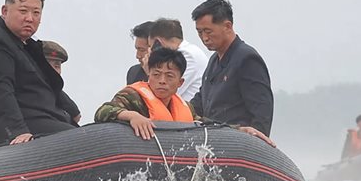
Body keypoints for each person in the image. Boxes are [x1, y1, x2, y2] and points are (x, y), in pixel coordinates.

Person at [0, 0, 79, 150]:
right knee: (74, 139)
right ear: (5, 11)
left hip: (42, 117)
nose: (30, 18)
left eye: (36, 13)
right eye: (23, 11)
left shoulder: (27, 46)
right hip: (4, 126)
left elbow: (46, 82)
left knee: (88, 135)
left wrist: (72, 110)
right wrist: (18, 131)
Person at [95, 47, 274, 146]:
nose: (162, 81)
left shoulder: (184, 107)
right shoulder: (133, 96)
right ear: (148, 76)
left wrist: (241, 130)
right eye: (156, 75)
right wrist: (132, 116)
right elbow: (104, 111)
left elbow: (206, 124)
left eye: (169, 76)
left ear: (180, 83)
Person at [188, 0, 274, 137]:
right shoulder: (213, 61)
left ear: (227, 26)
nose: (204, 38)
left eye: (208, 31)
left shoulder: (247, 59)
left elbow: (261, 113)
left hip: (238, 144)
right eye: (199, 32)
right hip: (212, 143)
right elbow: (199, 103)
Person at [147, 18, 209, 102]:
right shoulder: (191, 50)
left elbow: (163, 93)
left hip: (188, 110)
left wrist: (148, 69)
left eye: (152, 47)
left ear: (158, 42)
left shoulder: (187, 55)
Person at [42, 40, 82, 124]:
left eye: (57, 66)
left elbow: (76, 116)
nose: (53, 70)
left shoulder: (55, 90)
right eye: (47, 64)